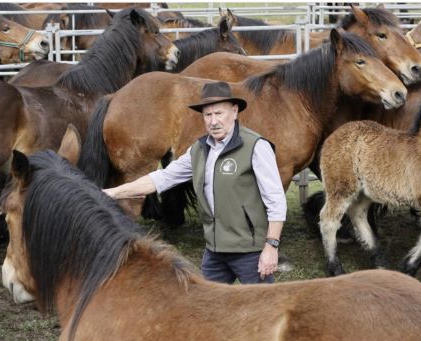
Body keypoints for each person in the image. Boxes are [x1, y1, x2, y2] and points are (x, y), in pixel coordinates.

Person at [104, 81, 286, 284]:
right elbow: (161, 178)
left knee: (259, 311)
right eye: (208, 115)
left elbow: (276, 200)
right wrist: (113, 193)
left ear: (234, 112)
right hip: (215, 252)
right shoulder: (199, 150)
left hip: (250, 251)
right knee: (206, 309)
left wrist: (271, 246)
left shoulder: (256, 147)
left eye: (219, 113)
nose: (213, 121)